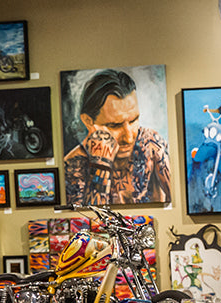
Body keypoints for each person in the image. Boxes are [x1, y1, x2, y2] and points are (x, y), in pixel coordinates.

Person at [63, 69, 171, 205]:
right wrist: (100, 166)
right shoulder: (74, 166)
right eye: (115, 125)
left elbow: (181, 201)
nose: (129, 137)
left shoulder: (151, 144)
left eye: (133, 121)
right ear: (88, 122)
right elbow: (91, 222)